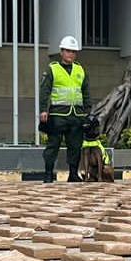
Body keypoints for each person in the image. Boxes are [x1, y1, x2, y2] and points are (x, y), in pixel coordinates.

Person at [39, 35, 92, 183]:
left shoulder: (80, 69)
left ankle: (73, 174)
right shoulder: (53, 69)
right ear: (61, 52)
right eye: (68, 51)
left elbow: (86, 92)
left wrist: (88, 112)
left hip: (76, 115)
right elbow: (45, 91)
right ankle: (48, 174)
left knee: (75, 146)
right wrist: (43, 110)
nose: (71, 54)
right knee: (53, 145)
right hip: (58, 114)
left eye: (73, 52)